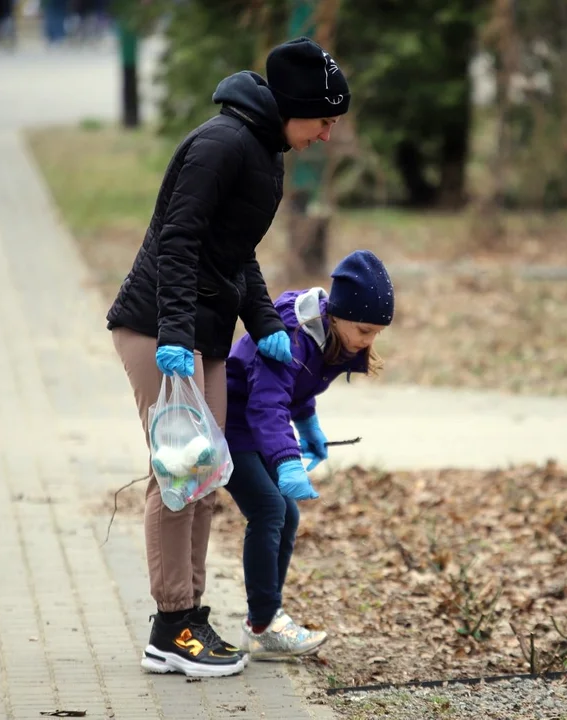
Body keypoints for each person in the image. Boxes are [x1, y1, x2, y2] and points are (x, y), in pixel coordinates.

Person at [106, 36, 351, 679]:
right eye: (324, 121)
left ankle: (189, 617)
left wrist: (264, 322)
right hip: (160, 330)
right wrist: (177, 335)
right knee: (177, 476)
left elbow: (234, 251)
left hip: (201, 336)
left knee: (205, 478)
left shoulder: (260, 151)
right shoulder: (222, 145)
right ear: (295, 107)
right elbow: (179, 239)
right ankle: (170, 627)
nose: (326, 135)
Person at [223, 250, 394, 659]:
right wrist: (285, 460)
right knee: (269, 509)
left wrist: (309, 427)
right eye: (365, 330)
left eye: (376, 334)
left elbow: (297, 390)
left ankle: (262, 621)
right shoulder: (290, 337)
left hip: (256, 427)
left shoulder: (327, 338)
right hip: (229, 423)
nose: (368, 342)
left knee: (288, 514)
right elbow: (267, 404)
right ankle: (265, 624)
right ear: (336, 315)